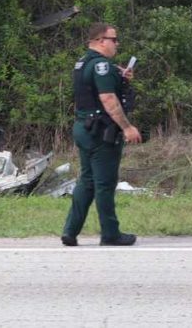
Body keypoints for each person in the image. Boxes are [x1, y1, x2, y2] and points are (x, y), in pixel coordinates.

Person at [61, 22, 141, 247]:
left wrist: (122, 77)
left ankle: (70, 231)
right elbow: (108, 99)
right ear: (99, 41)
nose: (117, 44)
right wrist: (127, 127)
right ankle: (110, 233)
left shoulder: (84, 63)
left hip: (83, 128)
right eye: (113, 39)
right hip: (101, 131)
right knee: (104, 183)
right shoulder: (102, 67)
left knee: (86, 180)